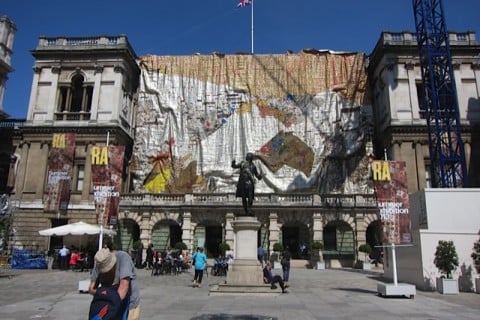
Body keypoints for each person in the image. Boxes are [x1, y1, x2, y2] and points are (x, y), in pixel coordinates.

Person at [89, 247, 140, 320]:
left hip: (129, 305)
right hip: (108, 305)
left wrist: (110, 307)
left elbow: (124, 287)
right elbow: (91, 288)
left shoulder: (123, 258)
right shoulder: (100, 261)